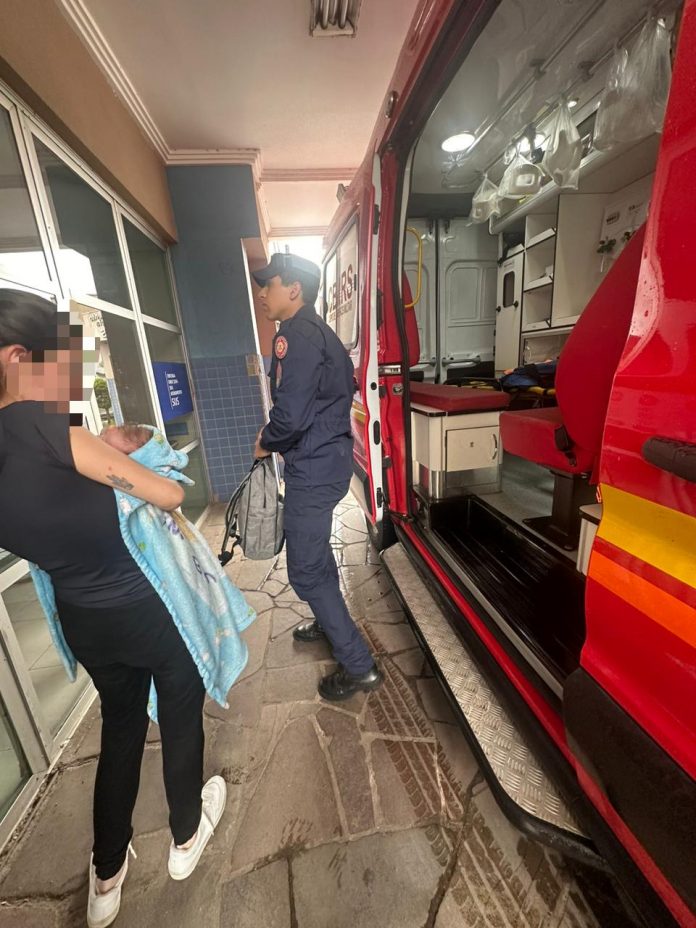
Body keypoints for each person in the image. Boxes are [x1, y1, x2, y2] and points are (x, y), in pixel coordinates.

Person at [0, 291, 226, 928]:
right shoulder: (43, 426)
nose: (64, 379)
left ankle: (106, 879)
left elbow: (48, 502)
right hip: (142, 607)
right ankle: (187, 836)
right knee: (179, 704)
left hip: (82, 619)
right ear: (17, 358)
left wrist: (93, 450)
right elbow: (168, 494)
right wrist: (115, 455)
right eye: (56, 361)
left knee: (121, 726)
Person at [252, 252, 383, 701]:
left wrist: (266, 440)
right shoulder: (318, 332)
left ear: (294, 289)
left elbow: (290, 415)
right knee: (317, 554)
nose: (263, 293)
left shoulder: (297, 336)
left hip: (313, 467)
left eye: (269, 284)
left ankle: (359, 666)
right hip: (324, 461)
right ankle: (330, 622)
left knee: (306, 571)